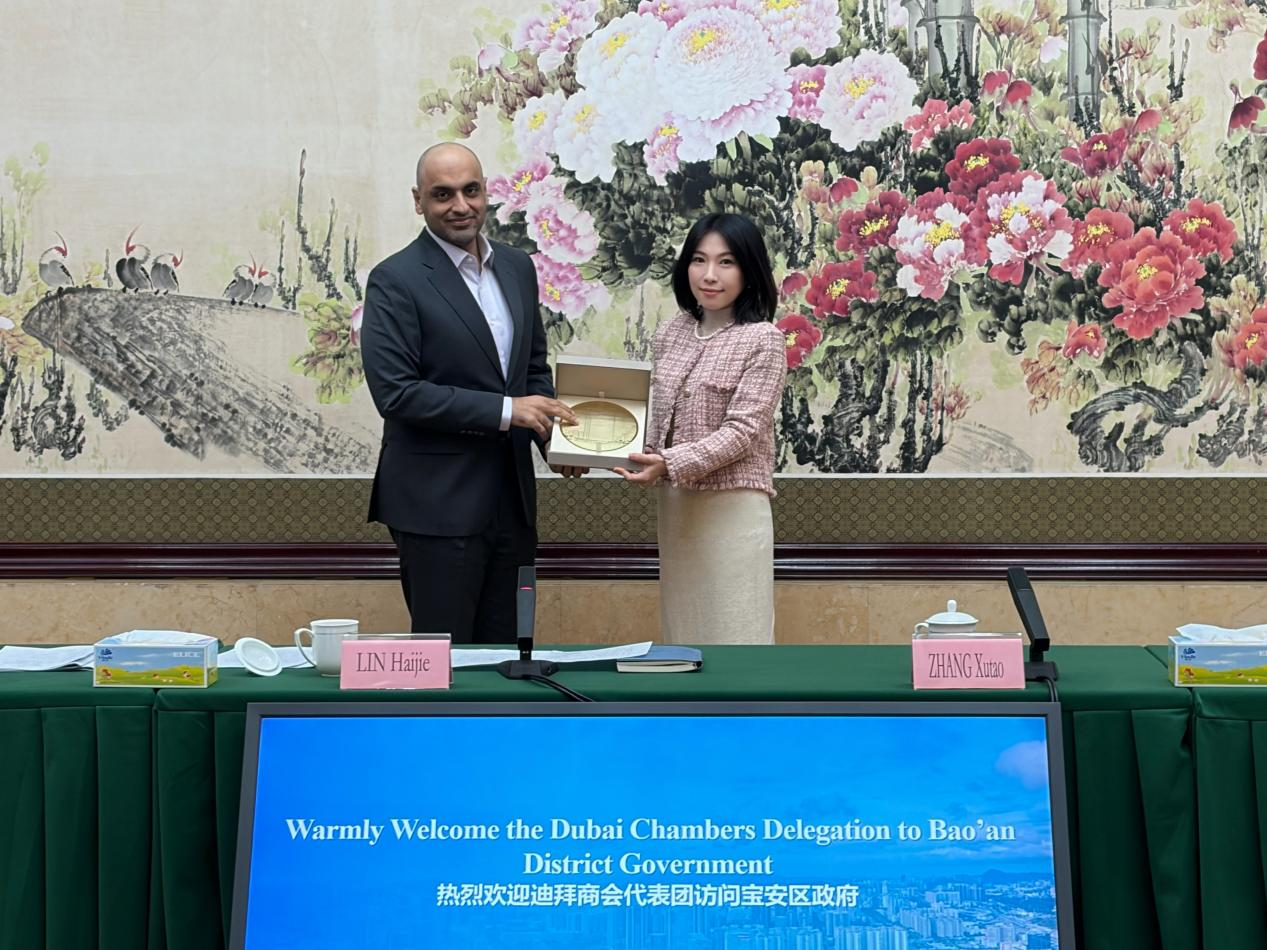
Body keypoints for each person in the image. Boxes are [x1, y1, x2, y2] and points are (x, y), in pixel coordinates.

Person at [360, 142, 583, 643]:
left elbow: (531, 370)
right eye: (443, 194)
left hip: (513, 503)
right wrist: (508, 411)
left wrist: (553, 439)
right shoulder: (394, 280)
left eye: (471, 190)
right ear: (418, 200)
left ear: (486, 193)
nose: (460, 205)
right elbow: (397, 394)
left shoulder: (518, 267)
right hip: (436, 505)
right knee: (447, 659)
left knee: (508, 655)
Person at [614, 213, 786, 644]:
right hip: (676, 507)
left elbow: (743, 431)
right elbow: (657, 420)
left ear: (749, 270)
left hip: (732, 509)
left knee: (736, 633)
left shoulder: (763, 339)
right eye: (698, 259)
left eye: (726, 262)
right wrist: (608, 446)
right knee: (683, 636)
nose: (709, 275)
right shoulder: (670, 333)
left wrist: (668, 463)